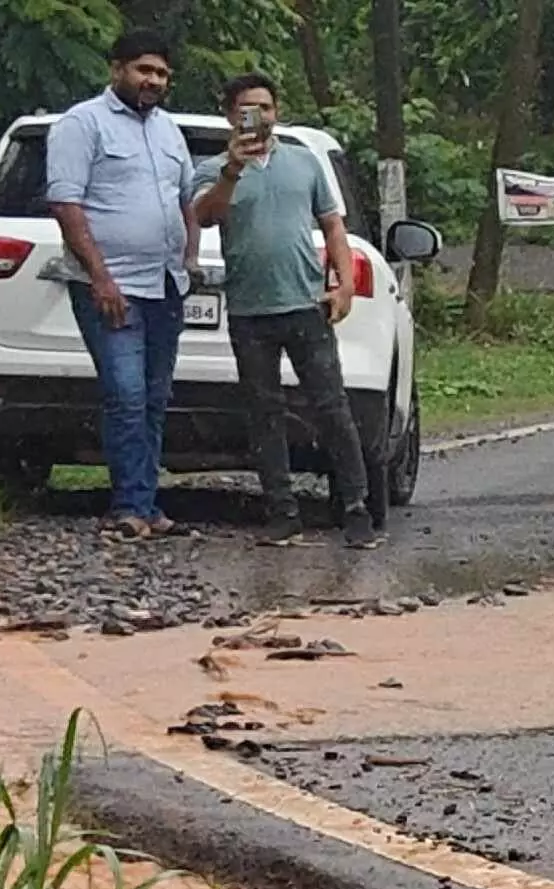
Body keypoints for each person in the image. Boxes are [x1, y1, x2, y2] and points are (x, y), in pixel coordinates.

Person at [187, 73, 375, 547]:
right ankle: (281, 510)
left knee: (332, 408)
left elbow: (333, 225)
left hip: (306, 306)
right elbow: (205, 216)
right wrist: (232, 170)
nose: (259, 117)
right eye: (248, 109)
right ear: (231, 115)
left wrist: (344, 285)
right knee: (263, 412)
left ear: (277, 111)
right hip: (250, 312)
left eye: (266, 108)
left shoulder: (304, 161)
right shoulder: (212, 169)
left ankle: (356, 509)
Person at [43, 31, 201, 538]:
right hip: (114, 286)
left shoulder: (169, 131)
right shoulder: (81, 124)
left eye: (161, 74)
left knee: (155, 397)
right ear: (117, 70)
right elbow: (67, 204)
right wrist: (101, 278)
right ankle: (129, 506)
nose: (153, 81)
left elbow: (186, 200)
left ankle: (147, 507)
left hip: (165, 284)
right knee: (126, 395)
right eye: (143, 70)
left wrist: (190, 257)